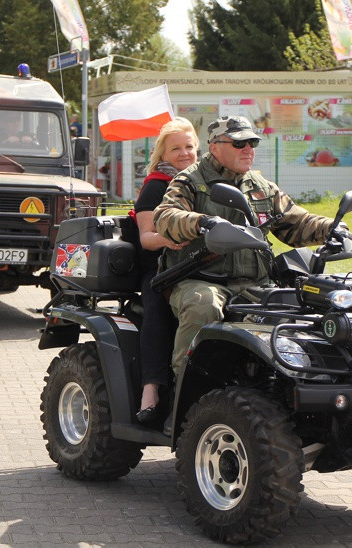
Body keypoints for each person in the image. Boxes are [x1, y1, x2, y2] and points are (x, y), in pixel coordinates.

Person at [153, 115, 352, 377]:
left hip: (255, 282)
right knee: (203, 304)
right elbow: (165, 217)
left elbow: (296, 222)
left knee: (295, 305)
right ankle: (188, 385)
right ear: (214, 147)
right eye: (239, 143)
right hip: (200, 279)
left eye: (252, 142)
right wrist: (202, 222)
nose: (248, 149)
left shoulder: (261, 187)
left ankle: (288, 380)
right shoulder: (190, 181)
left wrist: (331, 228)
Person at [132, 117, 198, 423]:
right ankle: (152, 388)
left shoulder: (206, 183)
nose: (184, 153)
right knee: (157, 307)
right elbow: (146, 239)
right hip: (161, 270)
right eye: (176, 148)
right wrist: (172, 238)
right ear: (162, 155)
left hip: (201, 266)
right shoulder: (156, 186)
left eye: (189, 146)